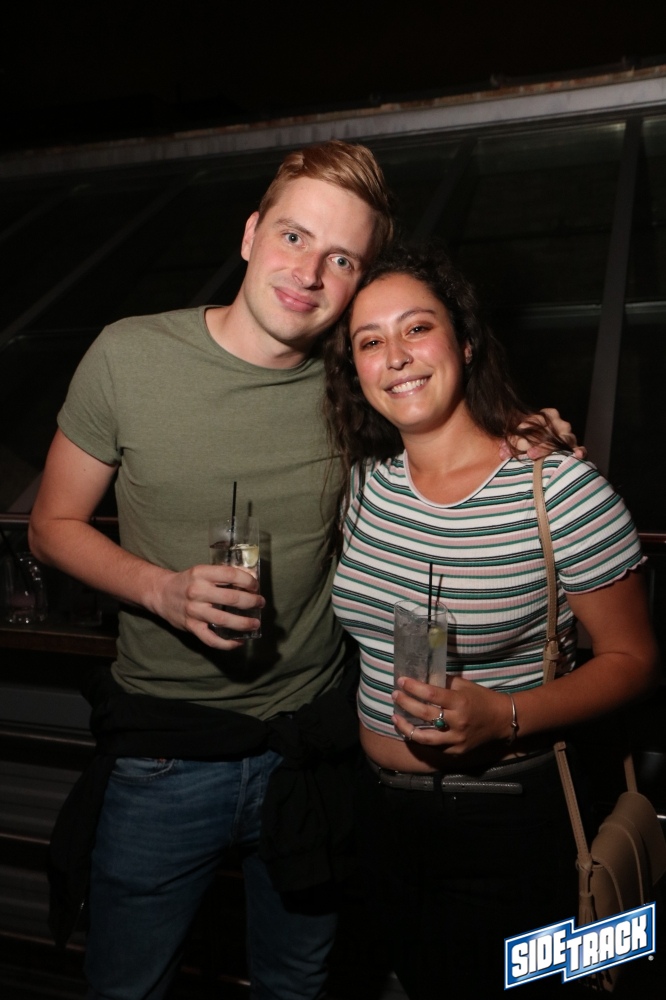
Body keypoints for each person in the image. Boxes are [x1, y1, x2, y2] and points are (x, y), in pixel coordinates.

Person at [29, 141, 578, 1000]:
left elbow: (441, 408)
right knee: (127, 987)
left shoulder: (355, 380)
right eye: (293, 237)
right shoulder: (128, 356)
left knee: (300, 984)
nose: (310, 273)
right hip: (166, 756)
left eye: (342, 258)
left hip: (315, 756)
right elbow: (50, 526)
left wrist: (519, 427)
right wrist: (161, 590)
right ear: (251, 234)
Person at [323, 243, 659, 999]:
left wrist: (505, 715)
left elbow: (635, 660)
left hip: (509, 823)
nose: (395, 356)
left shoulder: (559, 490)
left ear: (465, 342)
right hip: (378, 814)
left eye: (417, 328)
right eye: (370, 341)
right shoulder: (363, 488)